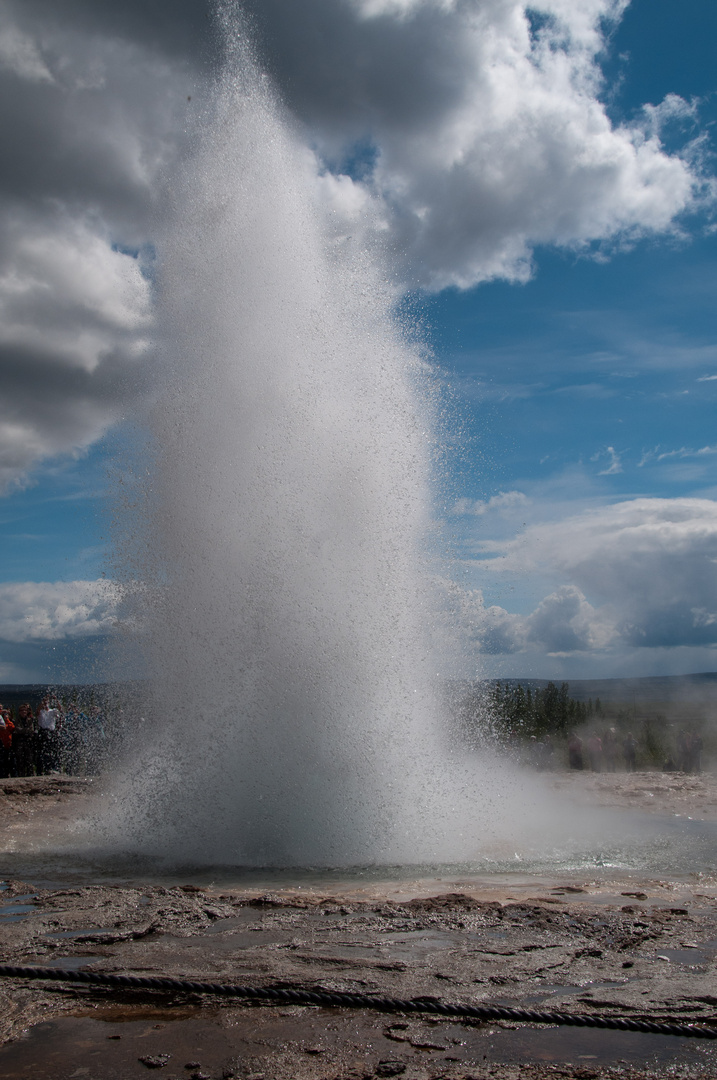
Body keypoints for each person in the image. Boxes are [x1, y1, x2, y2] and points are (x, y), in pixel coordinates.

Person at [37, 698, 61, 774]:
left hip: (52, 732)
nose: (46, 704)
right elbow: (37, 711)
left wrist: (56, 701)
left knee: (53, 750)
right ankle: (42, 769)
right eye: (45, 702)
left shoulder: (53, 711)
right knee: (43, 751)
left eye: (47, 702)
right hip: (43, 731)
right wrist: (42, 703)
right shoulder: (41, 711)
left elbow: (60, 710)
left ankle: (53, 767)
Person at [13, 703, 36, 776]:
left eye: (25, 710)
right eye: (22, 710)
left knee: (29, 758)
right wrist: (26, 730)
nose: (24, 712)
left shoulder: (30, 720)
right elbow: (18, 729)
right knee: (20, 759)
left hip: (28, 741)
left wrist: (24, 730)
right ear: (19, 712)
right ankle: (21, 774)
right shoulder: (17, 720)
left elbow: (31, 729)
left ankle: (30, 774)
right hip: (20, 741)